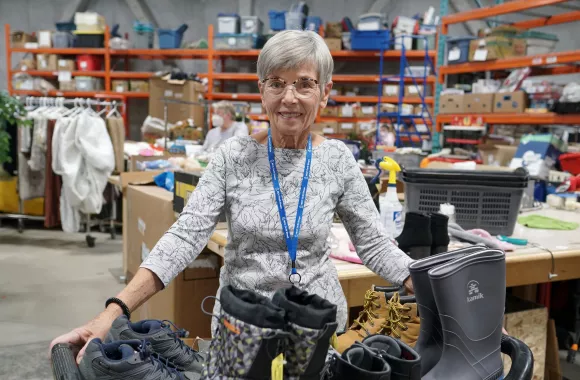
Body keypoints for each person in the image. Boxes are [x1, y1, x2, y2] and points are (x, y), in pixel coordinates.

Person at [49, 30, 414, 363]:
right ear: (261, 91)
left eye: (304, 84)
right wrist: (113, 312)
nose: (289, 97)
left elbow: (374, 245)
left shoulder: (337, 160)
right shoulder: (232, 157)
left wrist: (432, 285)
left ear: (325, 92)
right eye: (277, 83)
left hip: (316, 329)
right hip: (243, 331)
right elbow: (184, 236)